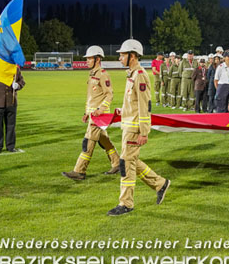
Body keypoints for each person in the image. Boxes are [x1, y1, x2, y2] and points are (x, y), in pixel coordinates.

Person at [108, 39, 170, 217]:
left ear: (132, 56)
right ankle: (160, 184)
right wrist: (123, 110)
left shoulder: (140, 75)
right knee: (130, 161)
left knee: (126, 164)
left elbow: (145, 106)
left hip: (135, 129)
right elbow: (134, 102)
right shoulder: (132, 74)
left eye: (122, 54)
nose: (119, 57)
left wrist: (144, 132)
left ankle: (126, 203)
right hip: (128, 127)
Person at [62, 46, 120, 180]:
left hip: (99, 116)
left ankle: (79, 171)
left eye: (89, 58)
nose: (87, 61)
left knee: (87, 142)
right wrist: (87, 113)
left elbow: (109, 95)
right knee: (104, 141)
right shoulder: (92, 74)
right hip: (93, 115)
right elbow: (92, 97)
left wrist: (101, 109)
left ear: (97, 59)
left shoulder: (103, 74)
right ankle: (117, 163)